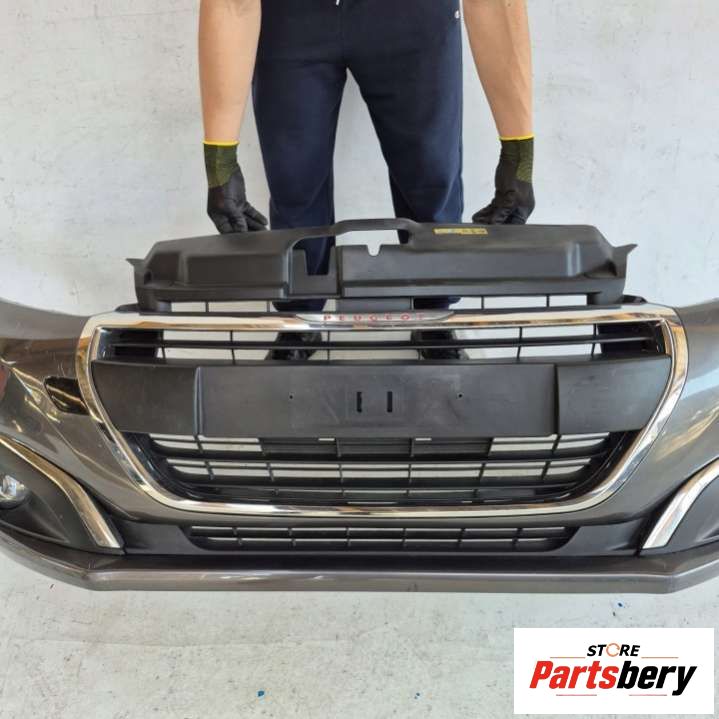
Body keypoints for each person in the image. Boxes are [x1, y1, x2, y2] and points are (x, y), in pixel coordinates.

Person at [199, 0, 535, 359]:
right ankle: (300, 320)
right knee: (293, 179)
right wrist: (220, 163)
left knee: (432, 173)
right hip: (293, 19)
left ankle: (434, 316)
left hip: (412, 18)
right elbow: (232, 4)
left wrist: (519, 156)